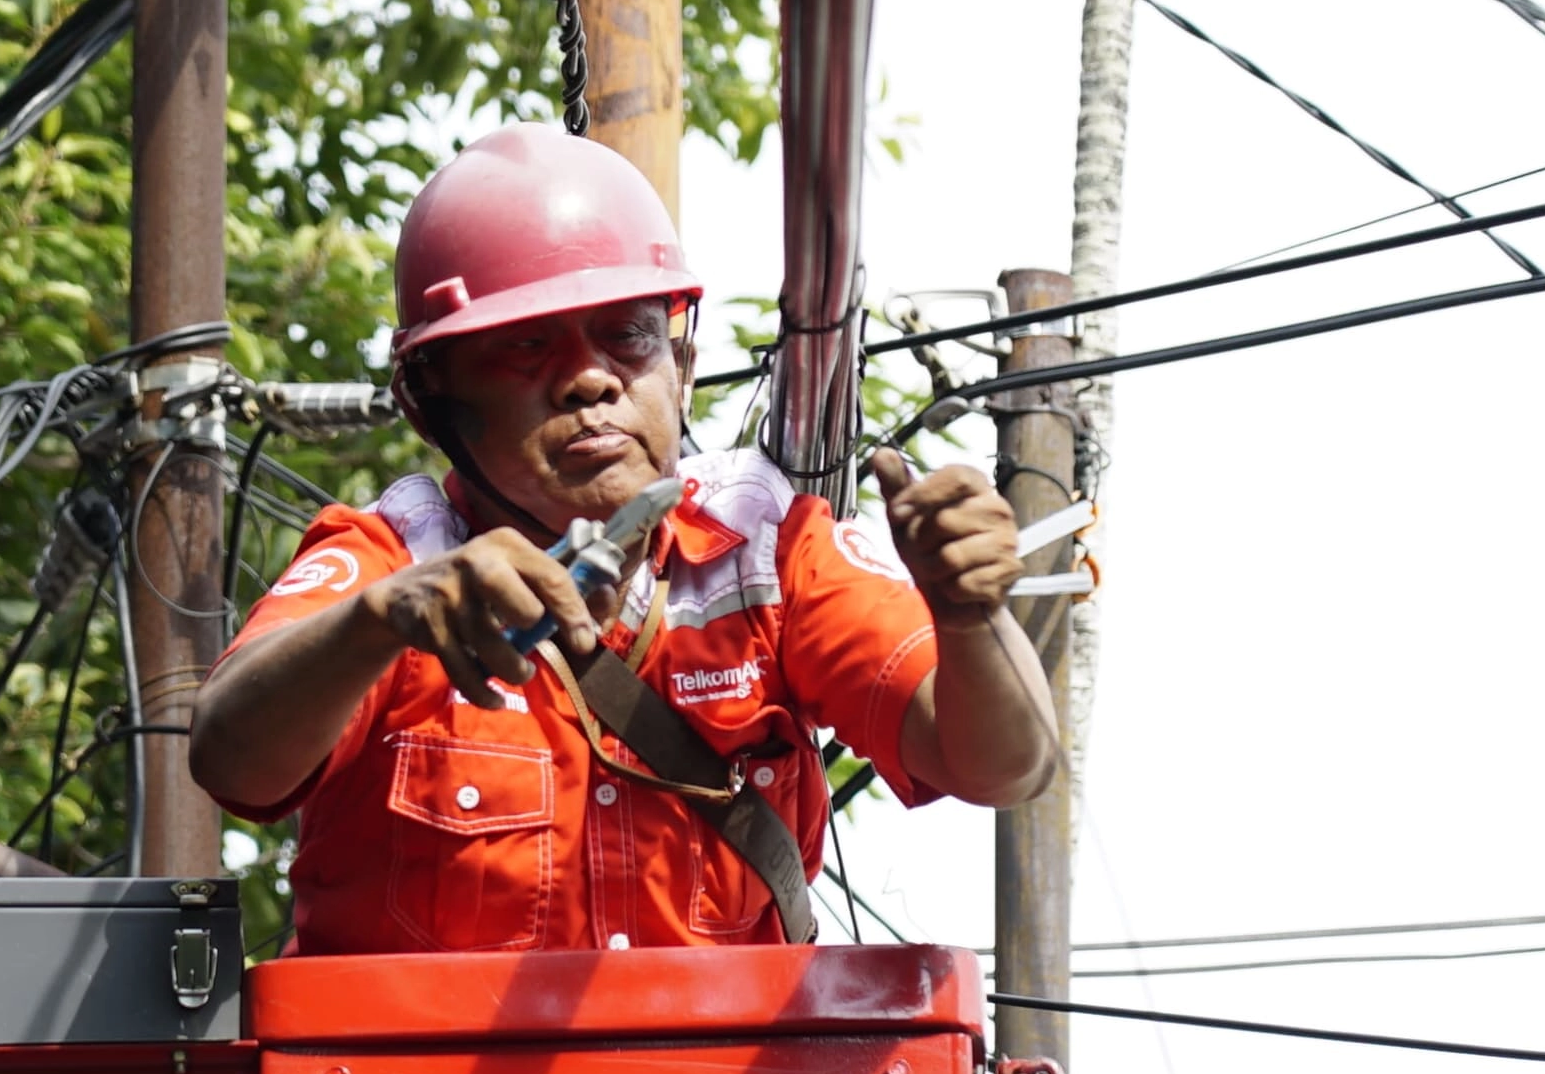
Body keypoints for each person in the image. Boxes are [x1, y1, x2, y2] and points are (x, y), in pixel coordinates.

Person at [188, 124, 1060, 956]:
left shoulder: (767, 557)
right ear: (429, 400)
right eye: (527, 347)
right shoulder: (393, 567)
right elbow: (231, 758)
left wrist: (969, 618)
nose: (592, 378)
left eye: (628, 335)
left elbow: (1004, 768)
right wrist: (376, 624)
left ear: (680, 368)